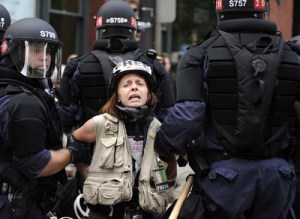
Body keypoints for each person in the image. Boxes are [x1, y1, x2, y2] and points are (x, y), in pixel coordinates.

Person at [155, 0, 300, 218]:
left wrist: (162, 146)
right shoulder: (292, 56)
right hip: (277, 179)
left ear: (220, 8)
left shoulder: (199, 55)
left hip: (222, 182)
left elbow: (188, 115)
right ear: (263, 8)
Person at [0, 17, 89, 218]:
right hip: (15, 204)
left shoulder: (19, 91)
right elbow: (36, 164)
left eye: (48, 51)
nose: (45, 57)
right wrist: (74, 153)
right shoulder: (23, 101)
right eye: (36, 50)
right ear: (14, 52)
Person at [71, 60, 175, 219]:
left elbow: (170, 171)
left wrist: (161, 192)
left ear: (148, 94)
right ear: (117, 96)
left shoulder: (159, 129)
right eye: (126, 85)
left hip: (147, 212)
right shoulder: (101, 124)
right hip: (106, 212)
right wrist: (88, 175)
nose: (134, 87)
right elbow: (74, 144)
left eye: (140, 83)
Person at [58, 0, 175, 135]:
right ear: (133, 26)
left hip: (92, 149)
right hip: (141, 148)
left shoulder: (77, 66)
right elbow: (167, 116)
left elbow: (65, 116)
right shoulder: (154, 66)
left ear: (99, 25)